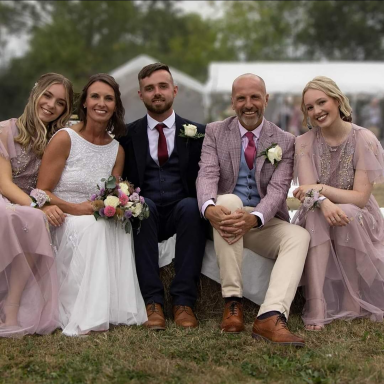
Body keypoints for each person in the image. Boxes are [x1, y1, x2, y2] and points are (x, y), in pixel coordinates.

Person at [196, 73, 310, 346]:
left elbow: (278, 191)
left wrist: (255, 217)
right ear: (233, 102)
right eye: (241, 98)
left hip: (261, 221)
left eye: (255, 97)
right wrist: (208, 207)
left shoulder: (284, 140)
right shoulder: (214, 131)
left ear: (266, 100)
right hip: (224, 217)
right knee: (228, 202)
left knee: (299, 236)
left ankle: (270, 316)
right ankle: (232, 302)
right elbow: (207, 174)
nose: (249, 104)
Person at [37, 73, 147, 336]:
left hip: (92, 216)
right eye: (95, 96)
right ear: (84, 102)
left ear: (115, 106)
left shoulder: (116, 150)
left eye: (109, 98)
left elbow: (113, 191)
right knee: (95, 227)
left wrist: (121, 204)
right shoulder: (66, 138)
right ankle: (85, 312)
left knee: (120, 226)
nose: (101, 103)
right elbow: (41, 191)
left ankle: (110, 308)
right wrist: (75, 208)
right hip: (62, 217)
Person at [118, 63, 206, 329]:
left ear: (174, 90)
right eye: (149, 88)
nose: (157, 92)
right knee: (141, 207)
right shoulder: (126, 135)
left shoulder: (198, 133)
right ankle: (152, 302)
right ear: (140, 95)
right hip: (149, 211)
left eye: (162, 86)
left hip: (183, 210)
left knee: (193, 207)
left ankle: (183, 303)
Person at [292, 76, 384, 330]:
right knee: (314, 214)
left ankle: (351, 293)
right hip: (317, 212)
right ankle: (317, 300)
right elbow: (307, 195)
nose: (316, 111)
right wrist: (323, 201)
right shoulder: (303, 143)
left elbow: (360, 197)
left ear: (337, 100)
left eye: (322, 102)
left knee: (348, 211)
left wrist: (321, 190)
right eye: (310, 107)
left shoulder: (363, 139)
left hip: (361, 215)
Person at [0, 73, 73, 337]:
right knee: (21, 216)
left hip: (26, 205)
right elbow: (5, 185)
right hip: (5, 198)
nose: (52, 105)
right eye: (48, 96)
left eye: (61, 103)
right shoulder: (5, 130)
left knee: (33, 221)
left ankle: (13, 305)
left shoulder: (58, 139)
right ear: (35, 94)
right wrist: (37, 206)